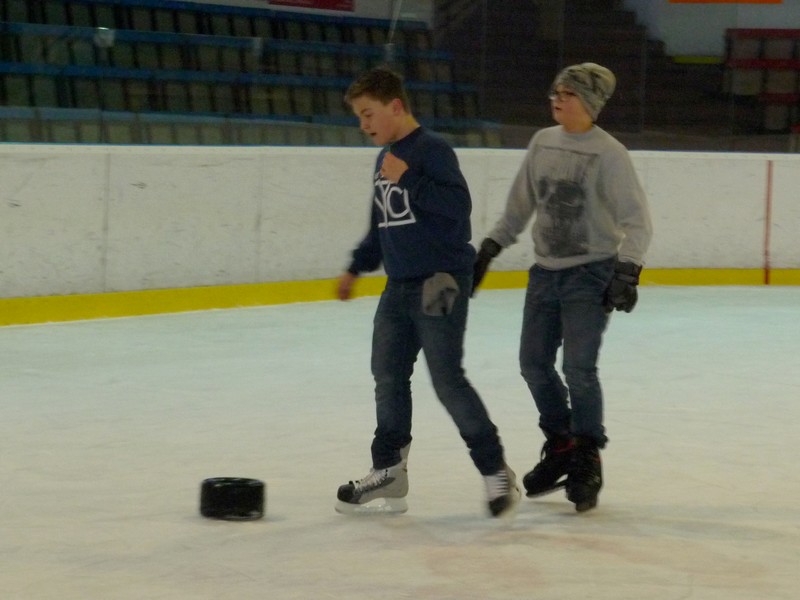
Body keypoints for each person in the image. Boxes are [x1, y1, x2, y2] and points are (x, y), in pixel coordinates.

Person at [335, 66, 519, 518]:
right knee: (388, 376)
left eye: (368, 114)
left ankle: (495, 469)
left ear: (396, 107)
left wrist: (410, 179)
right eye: (359, 117)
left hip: (441, 281)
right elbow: (381, 226)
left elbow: (458, 207)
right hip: (398, 286)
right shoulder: (385, 160)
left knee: (446, 378)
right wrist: (355, 268)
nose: (364, 125)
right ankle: (389, 471)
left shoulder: (431, 149)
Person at [472, 63, 653, 512]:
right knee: (533, 364)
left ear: (589, 102)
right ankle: (561, 444)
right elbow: (519, 207)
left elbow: (637, 222)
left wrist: (627, 271)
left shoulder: (609, 154)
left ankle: (587, 453)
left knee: (579, 368)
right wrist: (489, 249)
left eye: (567, 93)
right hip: (544, 274)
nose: (556, 99)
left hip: (589, 274)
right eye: (555, 91)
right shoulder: (542, 142)